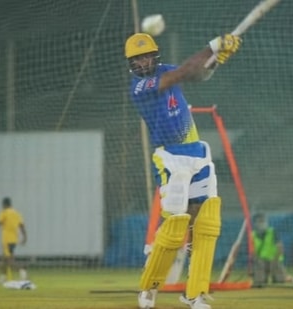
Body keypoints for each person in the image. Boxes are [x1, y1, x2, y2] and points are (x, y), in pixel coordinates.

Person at [124, 32, 241, 309]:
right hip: (169, 157)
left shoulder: (166, 70)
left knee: (207, 222)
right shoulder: (140, 87)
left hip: (197, 152)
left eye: (146, 55)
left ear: (155, 55)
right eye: (137, 59)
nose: (143, 62)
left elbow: (196, 74)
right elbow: (184, 72)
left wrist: (214, 61)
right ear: (131, 63)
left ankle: (195, 293)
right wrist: (212, 46)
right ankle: (149, 288)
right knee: (176, 225)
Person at [0, 197, 28, 283]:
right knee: (4, 260)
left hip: (6, 240)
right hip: (14, 239)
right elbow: (22, 226)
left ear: (4, 204)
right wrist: (25, 237)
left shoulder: (4, 213)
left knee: (9, 261)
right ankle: (3, 277)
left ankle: (22, 270)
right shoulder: (16, 213)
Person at [251, 213, 293, 287]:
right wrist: (256, 262)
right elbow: (252, 252)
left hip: (274, 260)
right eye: (259, 221)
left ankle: (284, 275)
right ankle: (261, 276)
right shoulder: (252, 235)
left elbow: (280, 248)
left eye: (263, 221)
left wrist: (274, 261)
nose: (262, 224)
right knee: (259, 281)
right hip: (261, 262)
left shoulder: (272, 232)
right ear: (255, 224)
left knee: (279, 280)